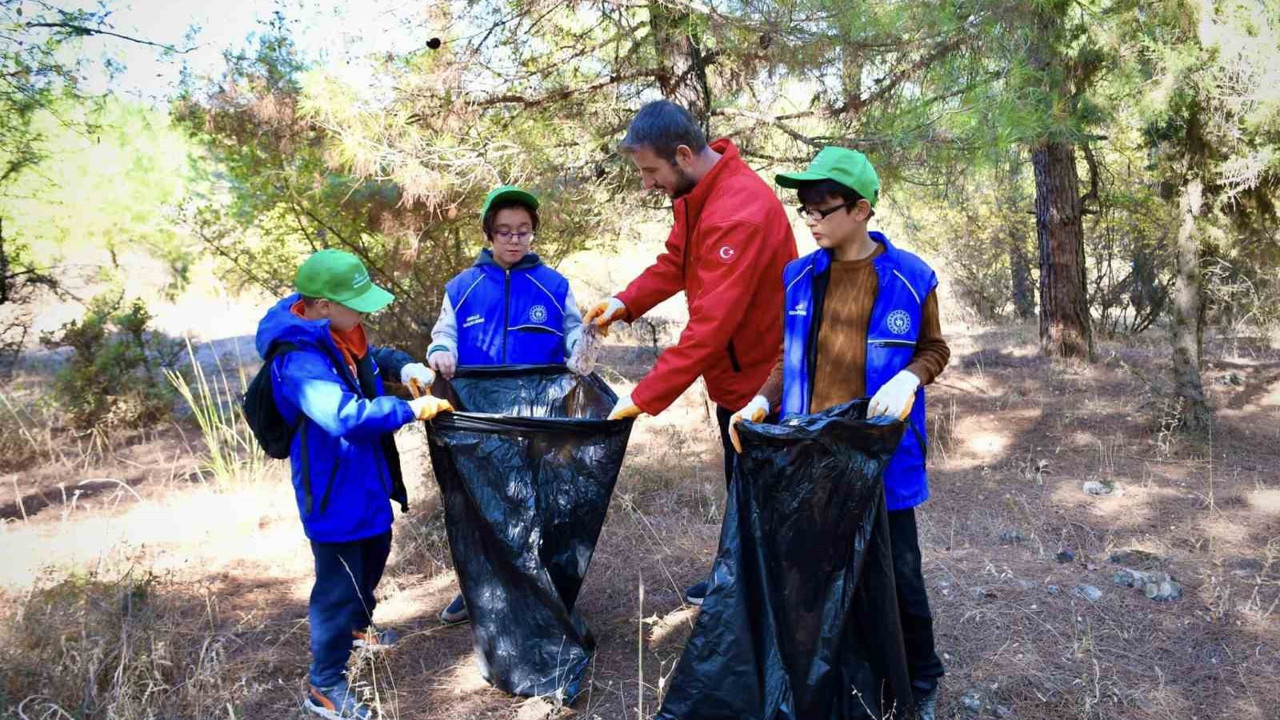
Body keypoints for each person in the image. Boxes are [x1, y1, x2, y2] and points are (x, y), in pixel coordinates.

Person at [726, 146, 950, 720]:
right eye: (804, 209)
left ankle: (921, 675)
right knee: (817, 565)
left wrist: (909, 377)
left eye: (822, 209)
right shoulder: (798, 277)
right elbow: (786, 357)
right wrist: (761, 400)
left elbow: (934, 348)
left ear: (861, 209)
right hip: (811, 453)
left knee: (899, 569)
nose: (811, 220)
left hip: (880, 454)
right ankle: (835, 666)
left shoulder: (910, 277)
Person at [585, 100, 797, 605]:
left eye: (651, 172)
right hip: (732, 376)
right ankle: (740, 585)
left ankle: (768, 606)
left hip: (763, 383)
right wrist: (623, 302)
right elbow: (676, 261)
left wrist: (643, 396)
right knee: (743, 488)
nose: (647, 184)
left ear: (682, 155)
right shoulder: (698, 192)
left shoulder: (738, 212)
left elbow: (708, 327)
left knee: (764, 494)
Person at [255, 249, 453, 720]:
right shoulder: (299, 360)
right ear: (322, 304)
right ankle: (325, 686)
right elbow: (344, 415)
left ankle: (359, 629)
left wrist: (403, 366)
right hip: (331, 489)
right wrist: (409, 409)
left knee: (375, 552)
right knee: (337, 586)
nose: (364, 311)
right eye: (356, 302)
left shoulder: (334, 331)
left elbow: (366, 358)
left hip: (364, 478)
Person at [426, 184, 587, 624]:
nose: (514, 240)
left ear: (533, 233)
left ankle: (548, 591)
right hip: (481, 419)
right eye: (504, 232)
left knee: (544, 501)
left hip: (541, 417)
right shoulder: (462, 287)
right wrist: (440, 351)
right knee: (484, 503)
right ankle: (479, 588)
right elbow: (444, 334)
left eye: (523, 231)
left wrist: (580, 348)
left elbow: (575, 332)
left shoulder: (554, 285)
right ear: (489, 235)